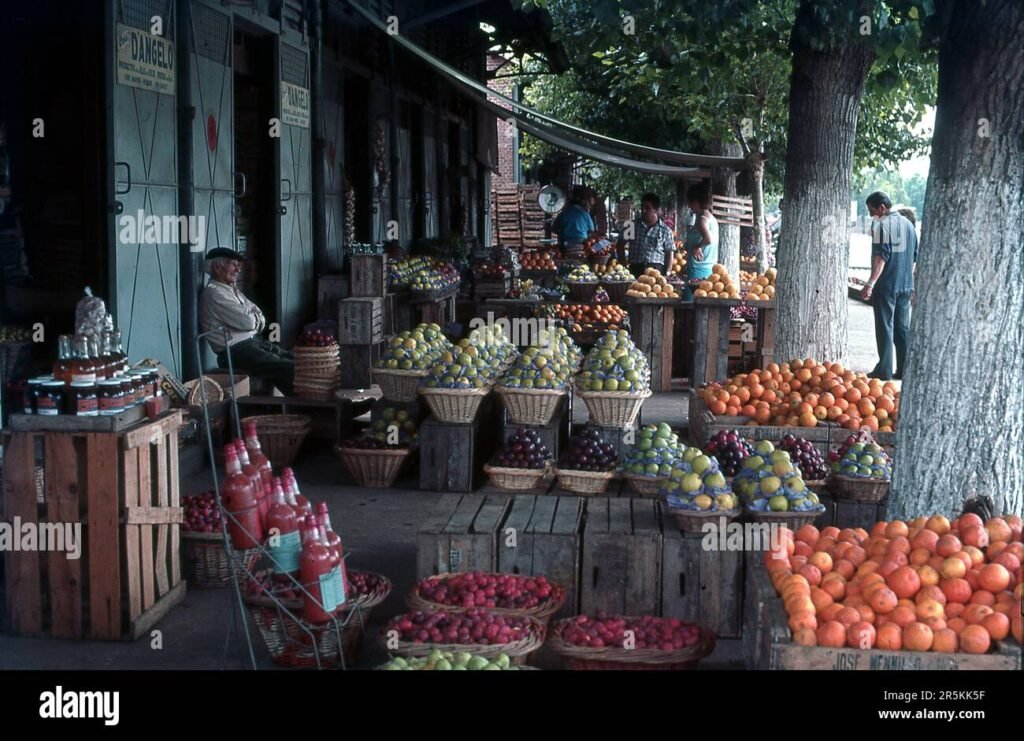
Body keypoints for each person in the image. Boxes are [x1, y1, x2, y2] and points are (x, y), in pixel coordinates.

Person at [199, 247, 294, 394]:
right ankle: (299, 407)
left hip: (250, 344)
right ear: (217, 267)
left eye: (238, 265)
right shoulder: (213, 293)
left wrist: (253, 320)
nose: (238, 269)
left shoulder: (231, 290)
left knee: (295, 359)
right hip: (235, 352)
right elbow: (248, 322)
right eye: (233, 264)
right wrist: (254, 320)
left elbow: (259, 315)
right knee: (288, 368)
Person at [861, 191, 916, 381]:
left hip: (887, 284)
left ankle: (884, 369)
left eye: (872, 210)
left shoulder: (883, 226)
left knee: (885, 326)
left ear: (882, 208)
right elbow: (914, 256)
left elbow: (880, 258)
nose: (871, 215)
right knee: (902, 328)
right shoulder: (909, 225)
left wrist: (870, 284)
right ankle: (904, 369)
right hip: (906, 284)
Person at [623, 192, 675, 278]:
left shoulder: (665, 230)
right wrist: (624, 265)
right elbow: (620, 245)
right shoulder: (631, 225)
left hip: (656, 271)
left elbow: (670, 252)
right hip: (635, 269)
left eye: (647, 208)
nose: (643, 210)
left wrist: (668, 272)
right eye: (642, 207)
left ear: (656, 210)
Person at [681, 184, 719, 297]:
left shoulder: (701, 220)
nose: (689, 205)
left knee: (692, 305)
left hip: (698, 270)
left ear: (696, 202)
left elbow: (708, 239)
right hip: (709, 269)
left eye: (690, 202)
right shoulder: (711, 218)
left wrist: (697, 246)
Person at [552, 186, 596, 258]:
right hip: (581, 243)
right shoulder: (584, 214)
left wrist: (563, 232)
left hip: (565, 243)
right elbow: (592, 230)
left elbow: (554, 229)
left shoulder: (563, 213)